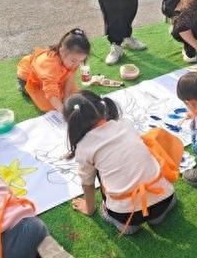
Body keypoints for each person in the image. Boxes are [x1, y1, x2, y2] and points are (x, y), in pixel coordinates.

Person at [64, 90, 177, 235]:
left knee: (95, 170)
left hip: (125, 213)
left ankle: (128, 226)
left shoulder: (84, 147)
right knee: (158, 211)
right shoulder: (124, 124)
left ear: (72, 124)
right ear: (101, 107)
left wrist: (89, 207)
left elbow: (87, 182)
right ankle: (157, 217)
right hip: (164, 198)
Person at [17, 28, 90, 112]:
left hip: (55, 78)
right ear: (62, 51)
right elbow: (50, 90)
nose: (76, 64)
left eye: (80, 61)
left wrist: (67, 99)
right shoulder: (49, 63)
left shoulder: (72, 60)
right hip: (30, 79)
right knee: (48, 106)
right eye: (73, 61)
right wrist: (63, 111)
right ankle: (23, 88)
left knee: (74, 95)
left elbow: (70, 77)